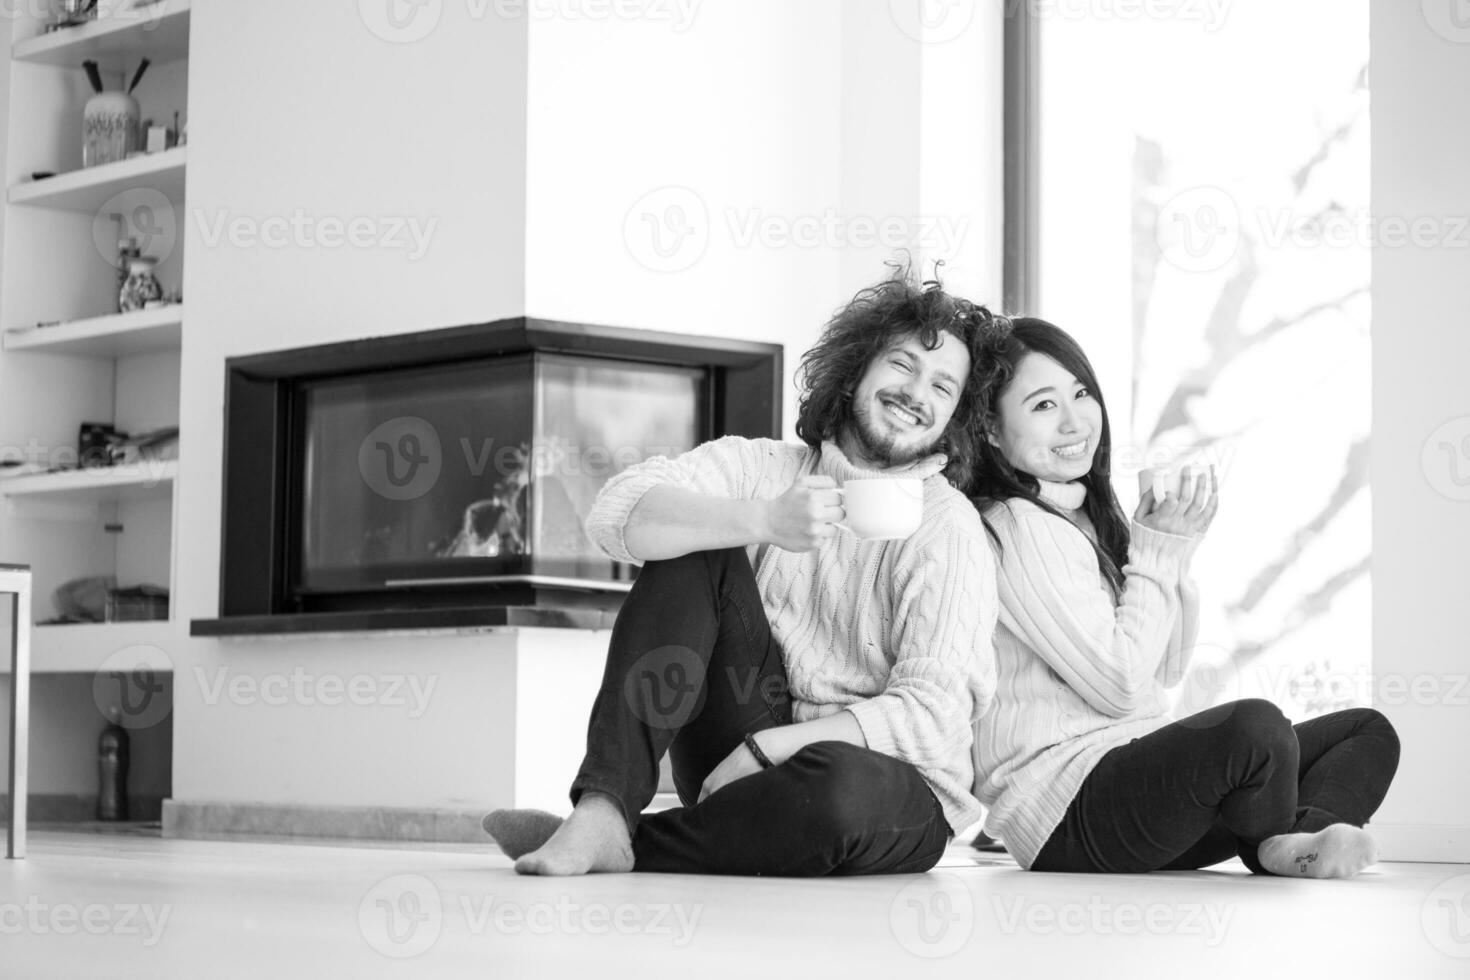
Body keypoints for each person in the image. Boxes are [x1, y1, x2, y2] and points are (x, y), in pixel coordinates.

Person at [482, 267, 1006, 876]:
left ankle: (633, 840)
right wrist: (760, 521)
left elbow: (932, 715)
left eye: (944, 387)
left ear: (954, 418)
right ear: (856, 366)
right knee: (697, 541)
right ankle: (602, 809)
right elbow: (615, 514)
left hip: (883, 782)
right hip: (742, 739)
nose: (918, 394)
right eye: (902, 365)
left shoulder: (949, 526)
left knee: (836, 790)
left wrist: (769, 749)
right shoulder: (759, 467)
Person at [968, 316, 1400, 876]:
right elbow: (1122, 685)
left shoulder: (1079, 516)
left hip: (1138, 794)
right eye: (1043, 405)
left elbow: (1164, 670)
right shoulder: (1017, 526)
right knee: (1257, 729)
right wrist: (1157, 555)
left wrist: (1174, 552)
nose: (1075, 420)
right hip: (1070, 812)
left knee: (1366, 732)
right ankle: (1281, 839)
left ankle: (1294, 844)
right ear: (993, 431)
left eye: (1081, 393)